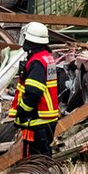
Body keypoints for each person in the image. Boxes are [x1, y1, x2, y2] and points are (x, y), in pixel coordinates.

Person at [7, 22, 60, 158]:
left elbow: (33, 92)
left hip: (38, 119)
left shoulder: (37, 62)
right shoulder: (46, 58)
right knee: (41, 156)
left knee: (39, 159)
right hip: (46, 117)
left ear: (30, 41)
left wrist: (22, 111)